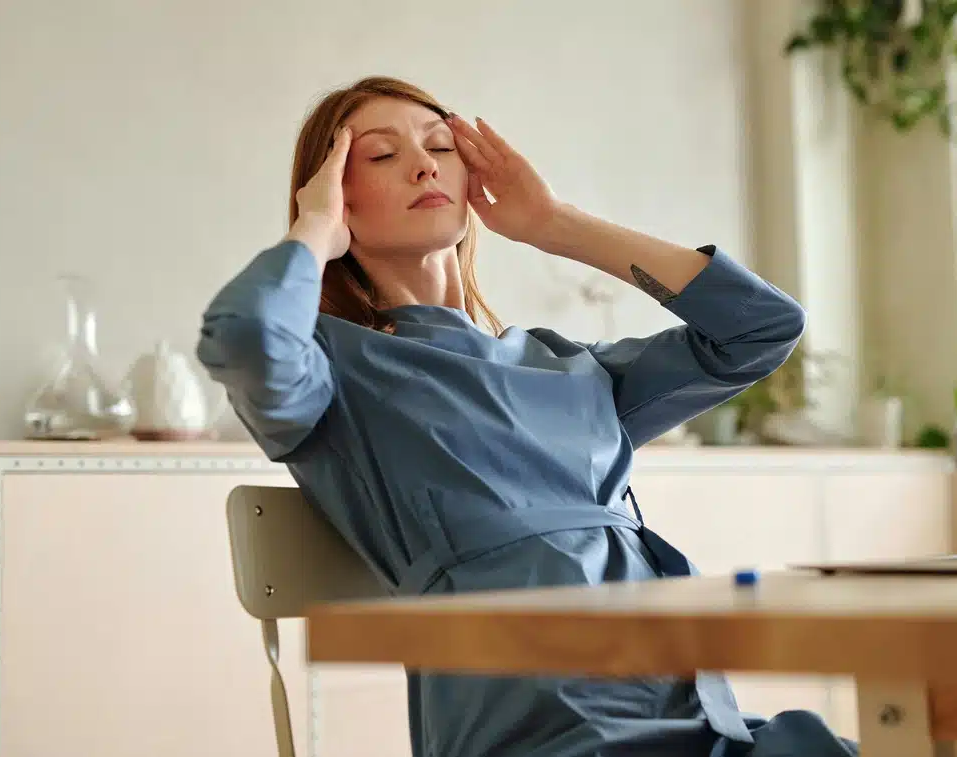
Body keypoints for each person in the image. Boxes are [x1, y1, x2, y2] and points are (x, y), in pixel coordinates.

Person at [197, 76, 857, 757]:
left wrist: (555, 225)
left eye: (440, 146)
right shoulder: (335, 368)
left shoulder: (563, 363)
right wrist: (314, 228)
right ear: (336, 192)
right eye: (382, 156)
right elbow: (244, 334)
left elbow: (762, 330)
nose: (424, 165)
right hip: (537, 727)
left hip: (695, 714)